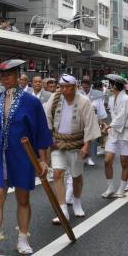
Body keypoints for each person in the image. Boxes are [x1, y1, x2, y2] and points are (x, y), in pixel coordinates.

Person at [0, 60, 52, 256]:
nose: (5, 79)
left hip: (24, 154)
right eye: (2, 76)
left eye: (9, 75)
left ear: (18, 76)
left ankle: (23, 238)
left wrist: (43, 160)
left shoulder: (31, 102)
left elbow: (41, 131)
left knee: (23, 198)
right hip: (1, 153)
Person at [44, 74, 101, 222]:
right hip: (58, 142)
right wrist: (49, 137)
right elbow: (47, 116)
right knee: (57, 173)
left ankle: (76, 201)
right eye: (61, 87)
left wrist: (87, 145)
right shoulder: (55, 98)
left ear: (75, 87)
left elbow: (90, 124)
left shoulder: (84, 101)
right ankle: (63, 209)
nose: (63, 90)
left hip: (76, 143)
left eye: (67, 87)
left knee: (76, 176)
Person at [101, 75, 128, 198]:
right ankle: (110, 187)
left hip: (125, 133)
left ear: (114, 85)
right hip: (114, 133)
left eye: (109, 83)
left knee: (124, 162)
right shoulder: (110, 98)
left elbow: (121, 117)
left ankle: (121, 188)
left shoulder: (125, 99)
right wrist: (106, 125)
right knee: (107, 160)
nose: (108, 86)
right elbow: (113, 116)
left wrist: (108, 126)